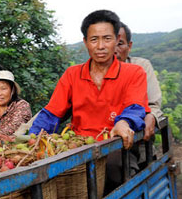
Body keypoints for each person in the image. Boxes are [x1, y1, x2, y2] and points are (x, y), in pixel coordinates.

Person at [29, 10, 150, 150]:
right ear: (85, 42)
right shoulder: (72, 74)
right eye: (94, 39)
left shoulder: (134, 72)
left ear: (117, 40)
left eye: (107, 39)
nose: (100, 46)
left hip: (117, 145)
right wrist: (34, 138)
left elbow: (135, 108)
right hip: (79, 146)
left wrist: (123, 122)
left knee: (112, 167)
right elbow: (52, 113)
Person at [115, 22, 163, 141]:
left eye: (120, 44)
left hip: (134, 136)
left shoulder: (141, 66)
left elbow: (153, 104)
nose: (114, 50)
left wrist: (151, 115)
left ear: (129, 46)